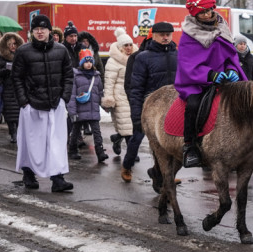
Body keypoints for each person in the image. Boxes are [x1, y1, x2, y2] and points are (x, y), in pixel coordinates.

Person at [176, 0, 246, 168]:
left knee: (246, 97)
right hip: (197, 81)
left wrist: (231, 70)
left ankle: (248, 139)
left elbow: (230, 55)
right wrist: (210, 75)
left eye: (209, 10)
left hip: (224, 77)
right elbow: (187, 64)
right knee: (193, 105)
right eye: (202, 12)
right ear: (194, 14)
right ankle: (190, 146)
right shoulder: (188, 35)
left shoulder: (223, 27)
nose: (207, 14)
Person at [12, 14, 73, 192]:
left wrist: (64, 98)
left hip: (55, 103)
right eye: (36, 29)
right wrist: (24, 102)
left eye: (43, 29)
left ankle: (58, 178)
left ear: (49, 30)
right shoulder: (23, 51)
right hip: (32, 105)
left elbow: (68, 76)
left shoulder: (61, 50)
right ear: (32, 32)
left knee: (57, 142)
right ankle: (29, 173)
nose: (40, 32)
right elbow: (17, 78)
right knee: (32, 142)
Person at [123, 22, 177, 182]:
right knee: (137, 138)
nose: (165, 37)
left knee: (168, 143)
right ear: (153, 35)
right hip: (150, 109)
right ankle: (127, 165)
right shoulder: (142, 57)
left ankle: (162, 174)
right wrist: (137, 114)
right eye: (162, 34)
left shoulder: (178, 55)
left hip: (172, 108)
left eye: (168, 34)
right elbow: (135, 88)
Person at [67, 49, 108, 162]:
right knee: (75, 132)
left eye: (90, 61)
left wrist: (104, 105)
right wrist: (72, 112)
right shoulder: (76, 76)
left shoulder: (97, 77)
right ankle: (73, 150)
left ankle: (100, 153)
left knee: (97, 132)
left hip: (93, 110)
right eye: (86, 62)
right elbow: (72, 95)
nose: (89, 64)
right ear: (81, 63)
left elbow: (100, 93)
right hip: (80, 110)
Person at [103, 27, 135, 156]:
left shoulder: (136, 58)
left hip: (133, 95)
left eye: (130, 45)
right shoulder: (113, 61)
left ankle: (116, 139)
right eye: (125, 45)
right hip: (120, 95)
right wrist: (109, 98)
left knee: (130, 124)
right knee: (127, 125)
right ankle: (131, 154)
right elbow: (109, 82)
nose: (128, 47)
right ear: (121, 47)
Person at [0, 33, 24, 143]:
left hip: (19, 87)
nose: (12, 46)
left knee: (20, 111)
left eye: (14, 43)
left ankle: (20, 132)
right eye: (10, 44)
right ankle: (13, 132)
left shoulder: (22, 55)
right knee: (10, 112)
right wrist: (5, 71)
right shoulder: (0, 58)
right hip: (7, 88)